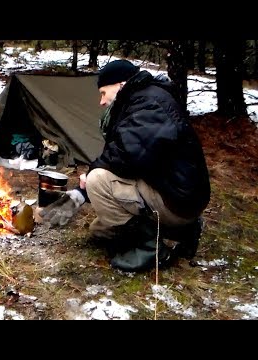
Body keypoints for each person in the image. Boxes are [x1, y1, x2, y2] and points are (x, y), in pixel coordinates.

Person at [39, 59, 211, 272]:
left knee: (97, 180)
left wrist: (89, 181)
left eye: (103, 92)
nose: (101, 101)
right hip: (175, 192)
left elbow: (127, 156)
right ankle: (183, 231)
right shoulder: (142, 99)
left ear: (120, 84)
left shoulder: (149, 104)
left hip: (176, 201)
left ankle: (151, 249)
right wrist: (82, 192)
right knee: (100, 230)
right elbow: (129, 151)